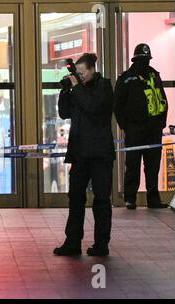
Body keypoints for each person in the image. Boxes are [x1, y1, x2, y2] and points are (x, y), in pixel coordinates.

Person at [53, 53, 115, 257]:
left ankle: (101, 244)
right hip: (79, 154)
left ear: (91, 70)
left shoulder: (104, 86)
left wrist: (76, 87)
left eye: (81, 73)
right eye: (76, 74)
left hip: (100, 155)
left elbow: (93, 107)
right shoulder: (78, 90)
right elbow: (64, 113)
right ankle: (72, 242)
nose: (79, 77)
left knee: (101, 200)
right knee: (76, 198)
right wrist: (65, 91)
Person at [114, 44, 169, 210]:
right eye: (142, 60)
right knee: (133, 165)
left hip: (153, 130)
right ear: (135, 60)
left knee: (152, 166)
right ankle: (130, 198)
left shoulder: (154, 75)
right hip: (135, 130)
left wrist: (161, 123)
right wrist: (125, 126)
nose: (145, 63)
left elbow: (163, 100)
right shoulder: (126, 78)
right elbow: (118, 105)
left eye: (147, 60)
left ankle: (153, 199)